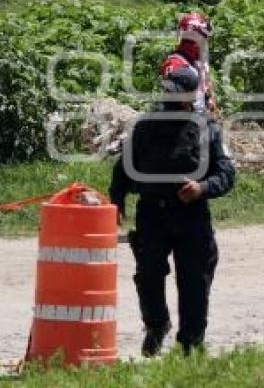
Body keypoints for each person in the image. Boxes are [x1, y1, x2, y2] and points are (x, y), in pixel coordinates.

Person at [109, 65, 236, 356]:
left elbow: (226, 173)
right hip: (153, 214)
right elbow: (123, 170)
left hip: (191, 216)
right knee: (148, 275)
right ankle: (157, 324)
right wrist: (116, 201)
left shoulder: (207, 129)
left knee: (194, 281)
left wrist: (201, 189)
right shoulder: (146, 127)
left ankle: (191, 345)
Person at [160, 12, 217, 114]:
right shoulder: (175, 62)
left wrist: (210, 98)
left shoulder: (201, 63)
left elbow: (206, 84)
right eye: (204, 39)